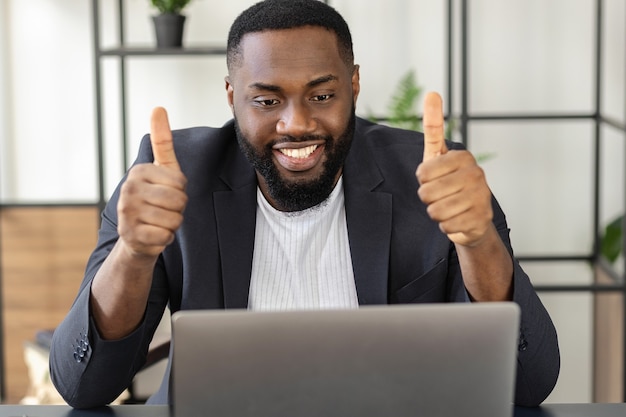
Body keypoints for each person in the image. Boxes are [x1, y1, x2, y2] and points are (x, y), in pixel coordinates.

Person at [49, 0, 559, 409]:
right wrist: (134, 255)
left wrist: (478, 242)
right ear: (232, 96)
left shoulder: (433, 176)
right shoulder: (172, 175)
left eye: (320, 96)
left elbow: (529, 384)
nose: (295, 124)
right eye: (267, 100)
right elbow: (84, 386)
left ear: (353, 85)